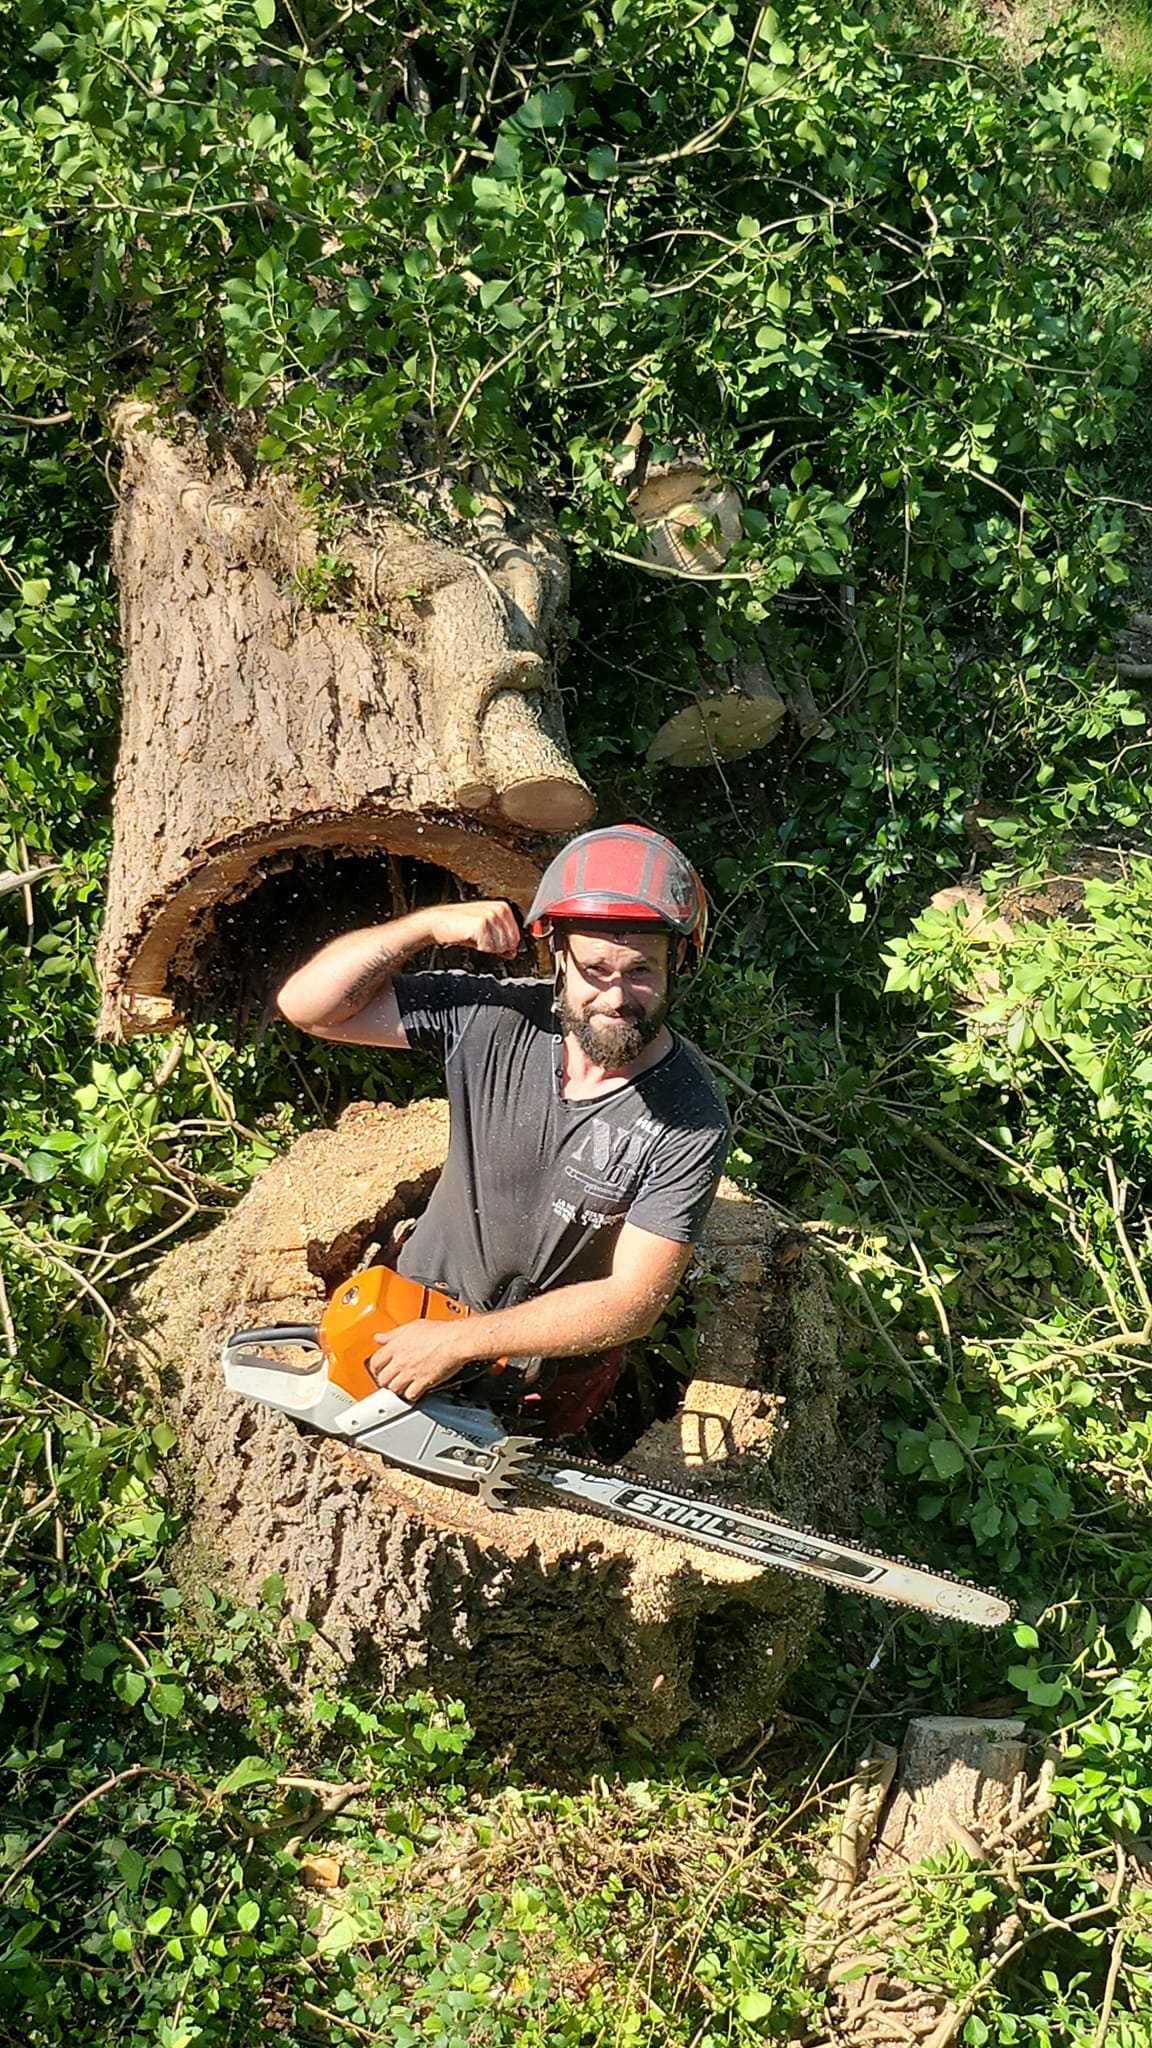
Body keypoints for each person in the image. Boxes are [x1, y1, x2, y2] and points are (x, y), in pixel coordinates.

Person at [276, 825, 732, 1436]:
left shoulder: (689, 1116)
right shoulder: (495, 1017)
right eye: (596, 968)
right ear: (559, 956)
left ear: (677, 963)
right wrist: (425, 926)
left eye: (640, 970)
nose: (616, 996)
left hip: (539, 1376)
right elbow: (308, 1007)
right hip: (407, 1312)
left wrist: (460, 1342)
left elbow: (632, 1302)